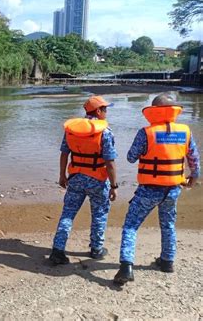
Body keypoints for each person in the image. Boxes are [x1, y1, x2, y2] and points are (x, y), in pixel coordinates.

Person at [113, 94, 200, 285]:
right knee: (168, 224)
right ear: (173, 111)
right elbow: (194, 157)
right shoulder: (185, 131)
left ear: (154, 111)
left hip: (148, 190)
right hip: (173, 188)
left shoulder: (146, 132)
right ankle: (167, 262)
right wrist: (194, 176)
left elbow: (130, 157)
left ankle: (126, 267)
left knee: (130, 226)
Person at [49, 96, 118, 265]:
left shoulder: (72, 130)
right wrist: (114, 186)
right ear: (98, 111)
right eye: (105, 109)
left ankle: (58, 250)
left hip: (76, 178)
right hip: (98, 180)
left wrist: (62, 175)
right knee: (99, 215)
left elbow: (64, 154)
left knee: (68, 213)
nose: (107, 113)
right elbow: (110, 162)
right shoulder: (105, 132)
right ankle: (96, 249)